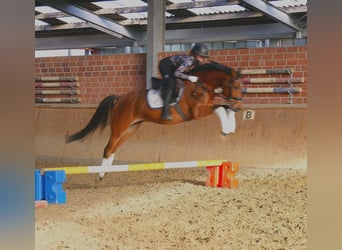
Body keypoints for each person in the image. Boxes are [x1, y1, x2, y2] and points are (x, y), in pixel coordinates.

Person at [158, 43, 210, 120]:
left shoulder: (196, 63)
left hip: (174, 68)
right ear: (196, 54)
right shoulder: (188, 60)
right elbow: (177, 73)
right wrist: (189, 77)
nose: (203, 59)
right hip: (165, 65)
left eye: (204, 57)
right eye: (201, 56)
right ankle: (165, 111)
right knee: (171, 83)